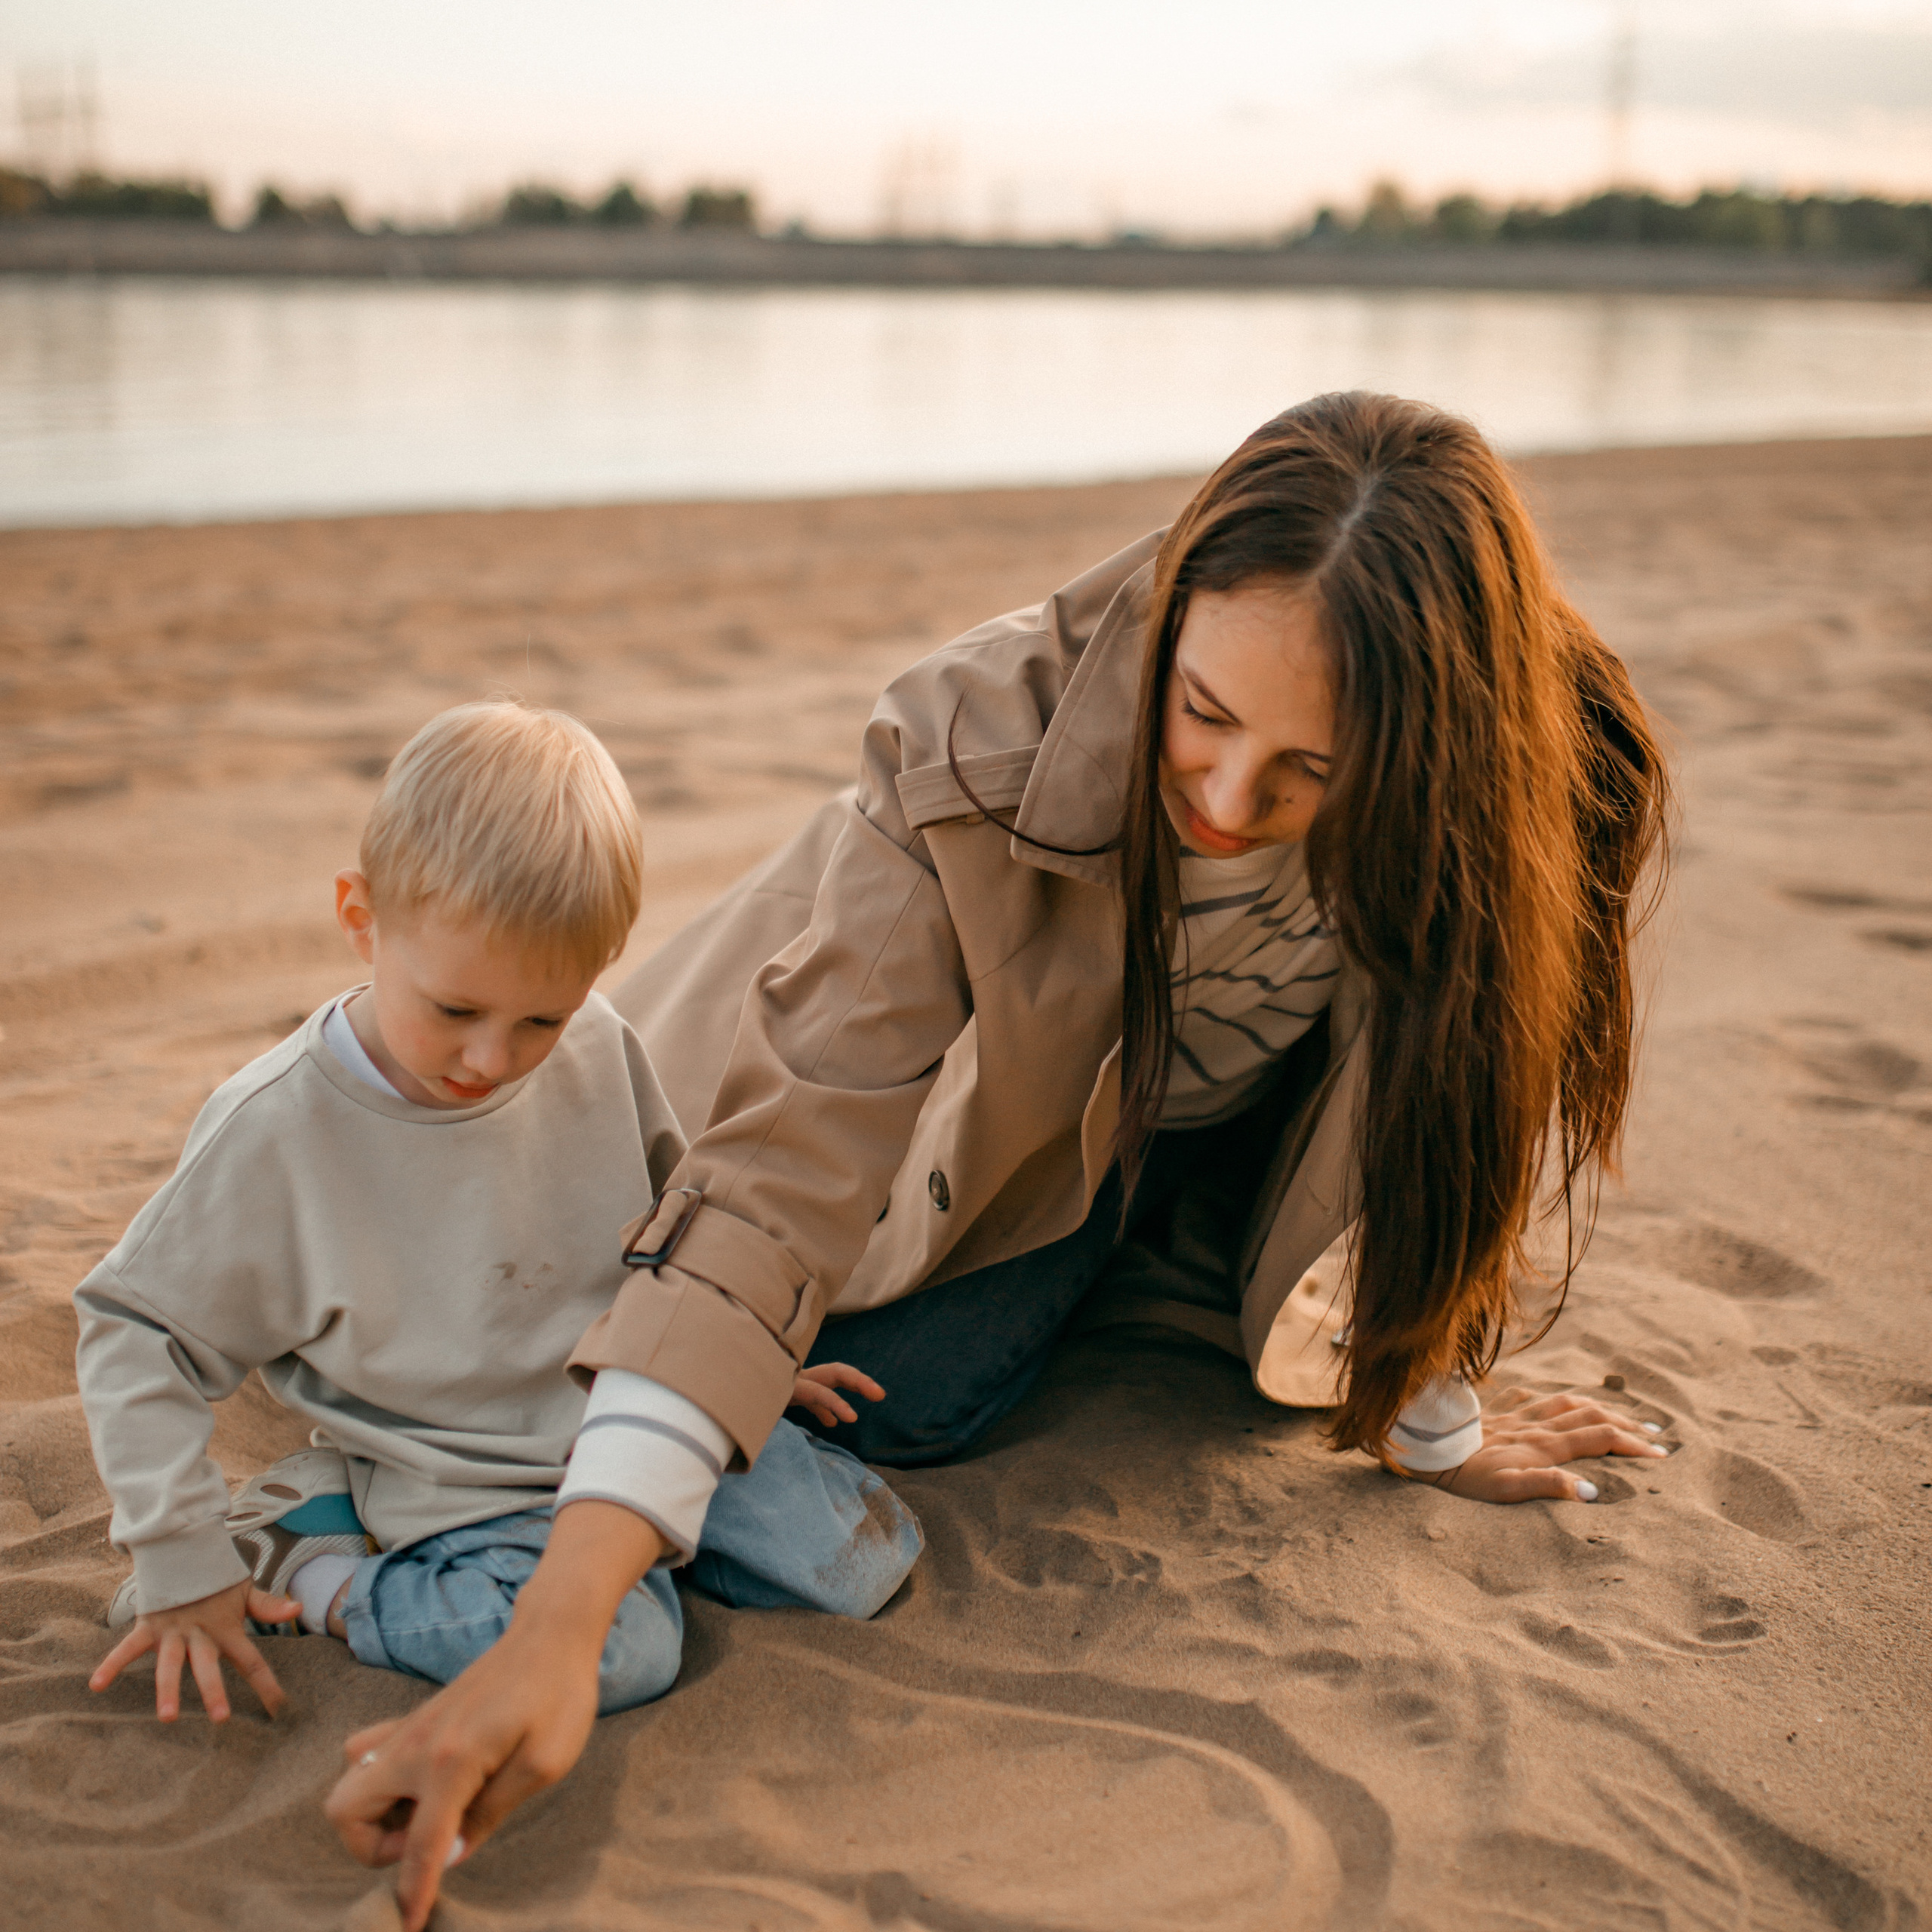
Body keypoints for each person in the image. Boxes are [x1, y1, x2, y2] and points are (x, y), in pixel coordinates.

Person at [325, 392, 1674, 1928]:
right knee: (919, 1394)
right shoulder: (973, 736)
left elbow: (1445, 1098)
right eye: (1203, 717)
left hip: (1215, 1132)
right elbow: (787, 1162)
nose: (1230, 807)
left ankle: (1166, 1249)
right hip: (991, 1129)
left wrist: (1427, 1412)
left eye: (1309, 769)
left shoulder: (1543, 773)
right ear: (1167, 619)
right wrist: (560, 1633)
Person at [75, 701, 921, 1745]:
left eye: (540, 1019)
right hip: (462, 1475)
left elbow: (677, 1235)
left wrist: (734, 1361)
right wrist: (175, 1557)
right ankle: (319, 1561)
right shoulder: (275, 1134)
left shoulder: (599, 1043)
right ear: (360, 916)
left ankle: (352, 1502)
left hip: (613, 1409)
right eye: (454, 1011)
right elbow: (134, 1330)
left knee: (857, 1560)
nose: (491, 1060)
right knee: (630, 1653)